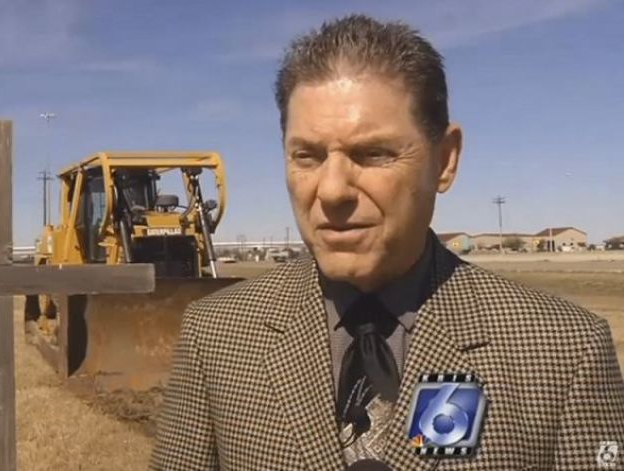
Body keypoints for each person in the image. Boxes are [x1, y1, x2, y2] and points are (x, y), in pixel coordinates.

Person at [151, 14, 624, 470]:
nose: (332, 190)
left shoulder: (561, 351)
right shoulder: (218, 336)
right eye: (307, 156)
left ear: (445, 160)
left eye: (373, 153)